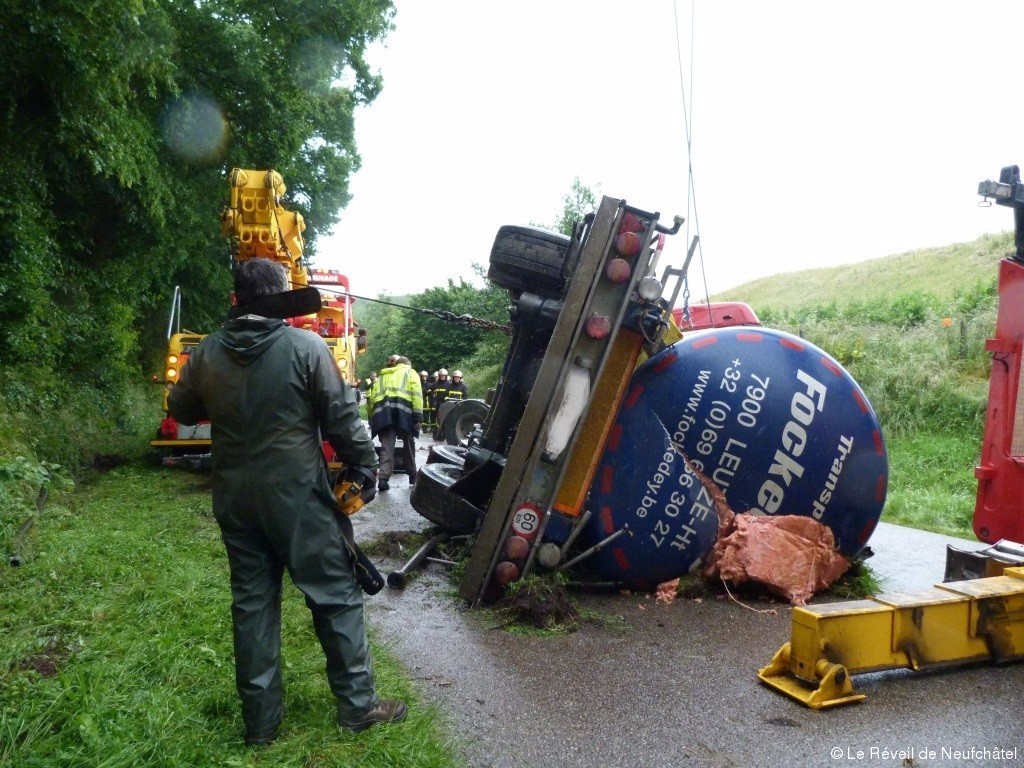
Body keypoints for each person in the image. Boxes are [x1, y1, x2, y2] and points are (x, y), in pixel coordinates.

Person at [168, 258, 406, 745]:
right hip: (299, 498)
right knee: (335, 595)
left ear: (236, 299)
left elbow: (182, 408)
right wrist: (365, 464)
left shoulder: (209, 353)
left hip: (235, 499)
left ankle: (260, 726)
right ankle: (359, 708)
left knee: (252, 605)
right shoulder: (305, 347)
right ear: (280, 298)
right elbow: (341, 416)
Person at [367, 354, 422, 490]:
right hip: (404, 414)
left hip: (384, 415)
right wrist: (418, 416)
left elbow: (373, 399)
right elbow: (416, 394)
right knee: (408, 444)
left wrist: (372, 417)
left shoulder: (381, 376)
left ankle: (383, 480)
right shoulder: (410, 372)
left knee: (387, 446)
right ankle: (413, 476)